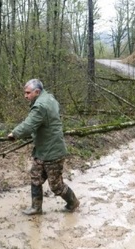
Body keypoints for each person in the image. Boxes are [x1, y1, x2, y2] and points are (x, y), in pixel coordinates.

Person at [8, 79, 80, 215]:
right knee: (35, 177)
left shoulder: (41, 105)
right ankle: (36, 208)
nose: (25, 96)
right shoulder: (49, 98)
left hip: (53, 152)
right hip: (42, 150)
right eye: (25, 93)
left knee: (56, 186)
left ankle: (73, 202)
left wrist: (15, 133)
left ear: (37, 92)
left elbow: (29, 125)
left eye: (28, 93)